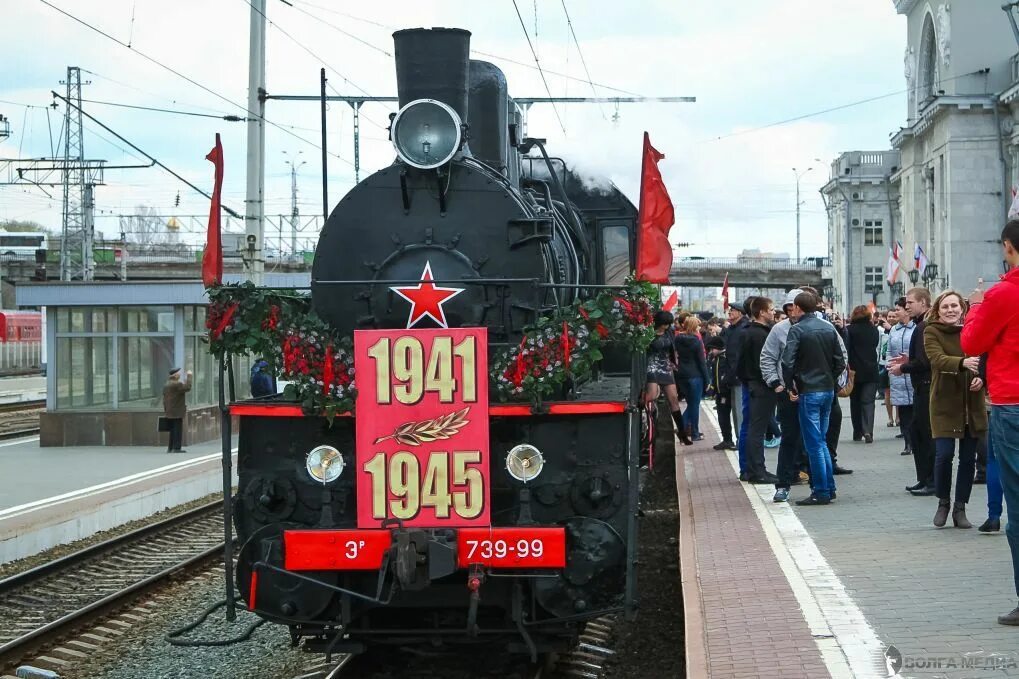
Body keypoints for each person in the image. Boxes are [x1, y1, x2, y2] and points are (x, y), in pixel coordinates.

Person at [961, 219, 1019, 625]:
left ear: (1008, 246)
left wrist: (977, 307)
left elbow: (971, 343)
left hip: (1013, 402)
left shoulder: (1003, 294)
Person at [923, 290, 987, 529]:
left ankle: (960, 508)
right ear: (938, 310)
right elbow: (936, 359)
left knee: (968, 459)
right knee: (944, 455)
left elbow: (985, 359)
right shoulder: (931, 331)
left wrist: (982, 377)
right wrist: (962, 362)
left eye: (955, 306)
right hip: (944, 403)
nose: (951, 310)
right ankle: (943, 503)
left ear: (963, 308)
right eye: (946, 307)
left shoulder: (973, 329)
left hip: (971, 403)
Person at [781, 292, 847, 506]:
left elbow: (787, 362)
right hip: (827, 389)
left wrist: (792, 385)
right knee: (822, 442)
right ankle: (828, 487)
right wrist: (832, 379)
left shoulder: (797, 329)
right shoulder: (828, 328)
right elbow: (840, 360)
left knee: (814, 444)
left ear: (798, 308)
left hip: (808, 390)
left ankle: (821, 490)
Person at [889, 287, 935, 495]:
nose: (907, 306)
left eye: (910, 302)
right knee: (917, 433)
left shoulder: (924, 326)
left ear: (924, 303)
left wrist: (904, 367)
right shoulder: (921, 325)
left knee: (925, 435)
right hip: (920, 387)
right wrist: (908, 362)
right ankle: (924, 478)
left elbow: (925, 362)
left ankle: (931, 481)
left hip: (925, 387)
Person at [761, 288, 806, 502]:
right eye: (789, 307)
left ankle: (822, 484)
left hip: (815, 391)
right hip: (788, 392)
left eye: (796, 307)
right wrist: (776, 383)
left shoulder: (822, 327)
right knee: (789, 437)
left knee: (816, 439)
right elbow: (768, 357)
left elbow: (839, 355)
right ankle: (784, 482)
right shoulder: (779, 330)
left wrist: (830, 384)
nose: (793, 311)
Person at [738, 296, 779, 484]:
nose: (773, 312)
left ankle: (755, 469)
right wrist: (773, 382)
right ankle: (758, 471)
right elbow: (763, 363)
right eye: (770, 309)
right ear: (761, 312)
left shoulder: (747, 332)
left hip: (753, 384)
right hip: (762, 385)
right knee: (757, 430)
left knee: (755, 429)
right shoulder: (761, 335)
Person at [646, 310, 693, 446]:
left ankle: (682, 433)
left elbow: (673, 348)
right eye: (664, 324)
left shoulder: (669, 332)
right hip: (652, 365)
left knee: (674, 399)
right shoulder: (648, 333)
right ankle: (650, 422)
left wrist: (674, 362)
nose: (666, 326)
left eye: (668, 324)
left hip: (666, 366)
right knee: (652, 395)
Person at [722, 301, 753, 476]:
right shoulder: (732, 330)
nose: (729, 313)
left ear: (740, 313)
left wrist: (732, 375)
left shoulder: (741, 330)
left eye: (732, 311)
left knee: (742, 420)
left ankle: (746, 466)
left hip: (739, 378)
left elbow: (736, 357)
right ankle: (745, 466)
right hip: (734, 378)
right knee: (738, 418)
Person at [846, 305, 880, 444]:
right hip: (871, 370)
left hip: (854, 371)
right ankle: (868, 430)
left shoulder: (849, 330)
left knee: (855, 402)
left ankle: (857, 431)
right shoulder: (874, 330)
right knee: (868, 402)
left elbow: (847, 349)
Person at [886, 298, 916, 456]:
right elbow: (889, 351)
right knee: (904, 413)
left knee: (915, 412)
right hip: (898, 376)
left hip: (912, 375)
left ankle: (917, 441)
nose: (896, 312)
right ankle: (907, 443)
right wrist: (890, 365)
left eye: (898, 309)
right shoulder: (894, 330)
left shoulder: (916, 328)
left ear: (906, 311)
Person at [674, 316, 710, 442]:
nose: (700, 328)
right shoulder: (696, 341)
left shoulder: (677, 338)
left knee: (691, 404)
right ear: (694, 327)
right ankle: (692, 432)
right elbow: (702, 362)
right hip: (695, 375)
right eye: (698, 326)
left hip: (682, 374)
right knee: (694, 405)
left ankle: (684, 429)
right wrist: (707, 380)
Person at [706, 336, 736, 450]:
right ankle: (726, 439)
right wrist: (713, 389)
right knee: (722, 417)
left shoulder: (724, 358)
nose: (710, 352)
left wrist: (724, 384)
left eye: (712, 349)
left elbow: (728, 374)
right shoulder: (716, 359)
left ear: (718, 348)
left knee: (725, 417)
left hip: (726, 392)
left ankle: (729, 440)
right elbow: (714, 377)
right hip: (719, 392)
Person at [163, 367, 193, 453]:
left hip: (170, 410)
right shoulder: (176, 384)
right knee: (177, 429)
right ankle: (176, 448)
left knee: (172, 429)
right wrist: (189, 376)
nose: (179, 375)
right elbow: (187, 387)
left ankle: (171, 447)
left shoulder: (167, 384)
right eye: (178, 373)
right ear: (175, 375)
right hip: (176, 411)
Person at [878, 308, 897, 429]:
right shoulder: (881, 331)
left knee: (898, 392)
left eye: (893, 316)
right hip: (884, 363)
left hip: (896, 363)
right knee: (887, 391)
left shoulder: (897, 330)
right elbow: (879, 346)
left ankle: (898, 417)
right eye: (889, 316)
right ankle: (890, 417)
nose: (891, 318)